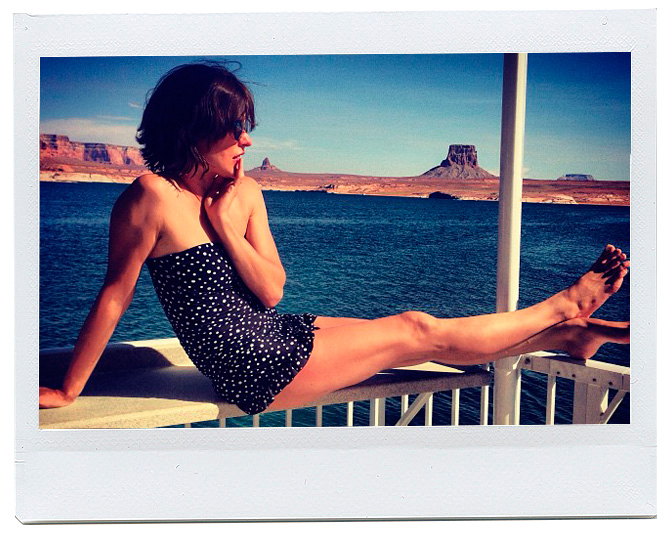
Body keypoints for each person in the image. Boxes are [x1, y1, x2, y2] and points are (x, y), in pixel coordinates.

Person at [38, 62, 631, 415]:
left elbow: (271, 291)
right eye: (236, 129)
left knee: (417, 332)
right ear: (195, 130)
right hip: (249, 367)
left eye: (247, 128)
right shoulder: (149, 197)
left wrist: (223, 228)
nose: (247, 141)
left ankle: (568, 335)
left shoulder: (245, 194)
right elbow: (114, 295)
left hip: (275, 330)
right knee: (416, 331)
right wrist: (69, 390)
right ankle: (562, 309)